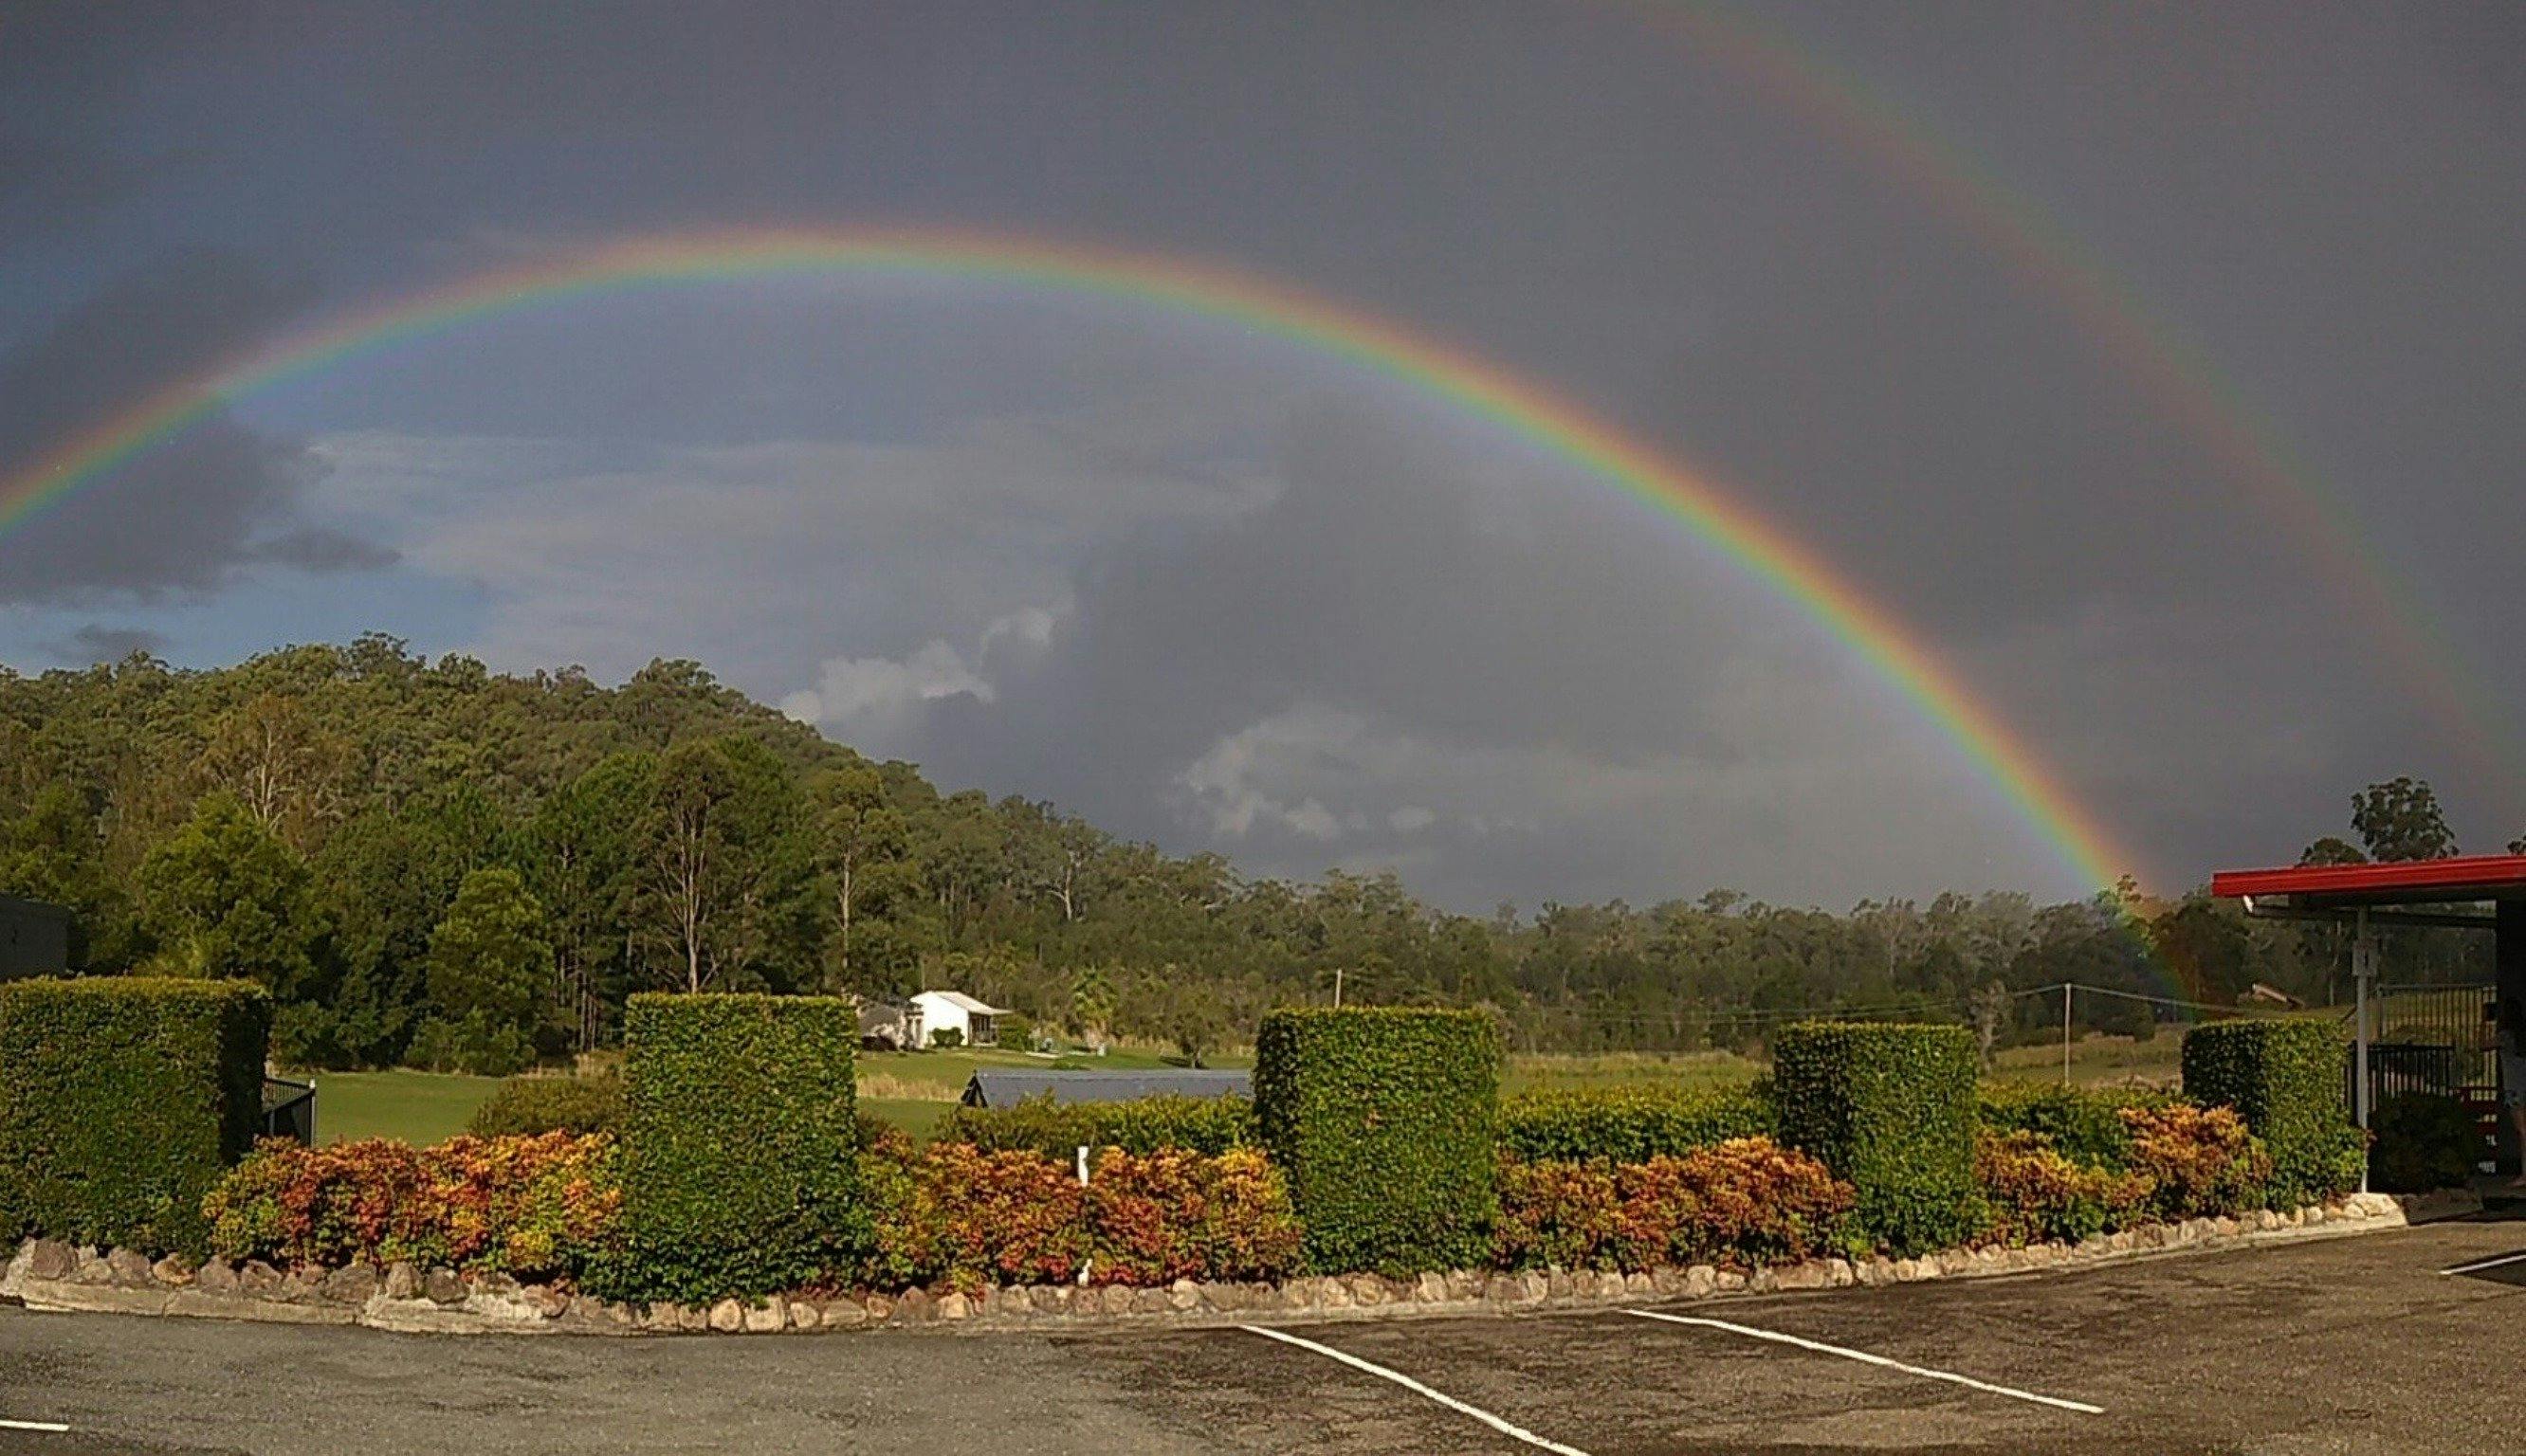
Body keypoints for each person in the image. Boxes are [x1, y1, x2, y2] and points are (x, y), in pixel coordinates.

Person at [2487, 997, 2526, 1190]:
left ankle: (2525, 1173)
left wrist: (2485, 1022)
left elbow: (2482, 1045)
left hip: (2513, 1087)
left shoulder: (2505, 1037)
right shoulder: (2522, 1037)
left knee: (2522, 1131)